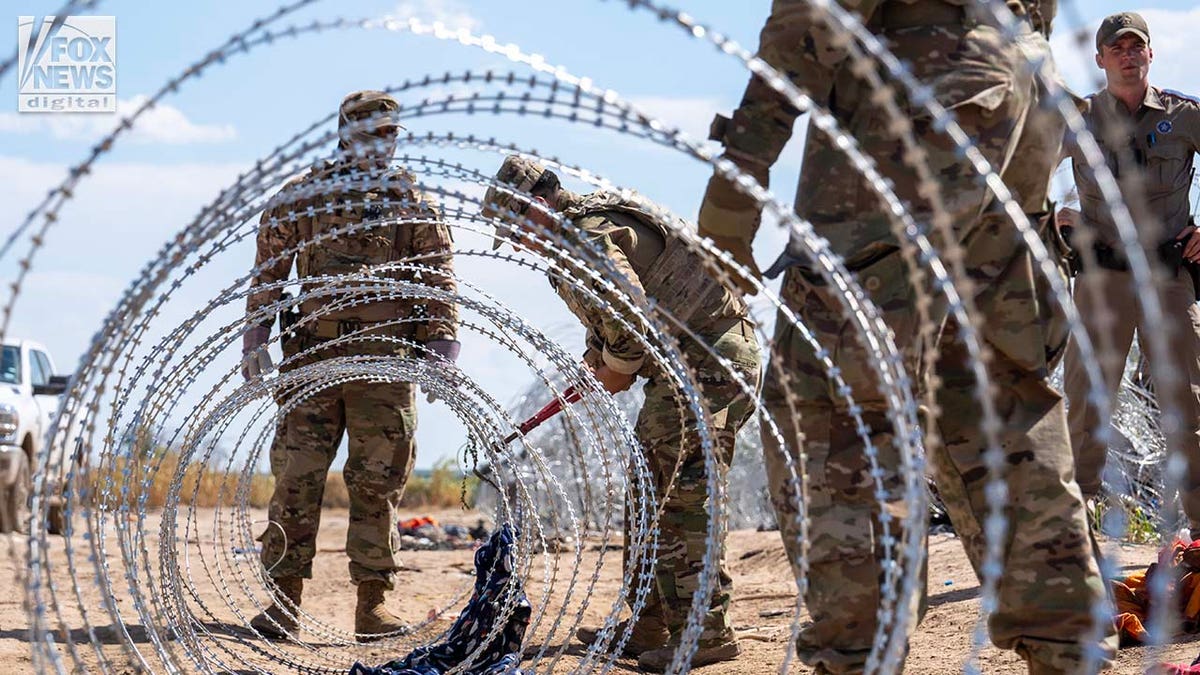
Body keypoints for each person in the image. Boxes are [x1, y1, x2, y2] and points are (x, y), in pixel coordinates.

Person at [697, 2, 1116, 673]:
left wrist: (732, 193)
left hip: (925, 82)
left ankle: (860, 651)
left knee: (837, 399)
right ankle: (1067, 648)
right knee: (998, 393)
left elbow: (809, 19)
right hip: (1020, 87)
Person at [482, 155, 762, 671]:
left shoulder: (586, 238)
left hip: (711, 361)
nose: (518, 242)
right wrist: (598, 368)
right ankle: (648, 623)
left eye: (516, 229)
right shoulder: (573, 243)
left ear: (538, 206)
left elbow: (628, 317)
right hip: (685, 367)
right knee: (649, 490)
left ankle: (704, 631)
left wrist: (612, 369)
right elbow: (608, 336)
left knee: (682, 495)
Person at [242, 90, 460, 642]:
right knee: (297, 479)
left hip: (384, 360)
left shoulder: (411, 199)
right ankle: (284, 605)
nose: (382, 145)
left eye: (391, 134)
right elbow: (269, 270)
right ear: (345, 133)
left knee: (377, 483)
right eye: (372, 134)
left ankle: (373, 608)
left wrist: (444, 343)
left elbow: (437, 273)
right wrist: (255, 339)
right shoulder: (304, 195)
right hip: (313, 356)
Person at [1058, 12, 1200, 536]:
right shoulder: (1078, 119)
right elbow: (1020, 171)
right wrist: (1054, 216)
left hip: (1168, 278)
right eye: (1115, 48)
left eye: (1135, 45)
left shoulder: (1185, 115)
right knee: (1085, 405)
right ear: (1100, 59)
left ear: (1149, 53)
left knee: (1187, 403)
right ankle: (1070, 542)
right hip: (1102, 282)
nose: (1127, 54)